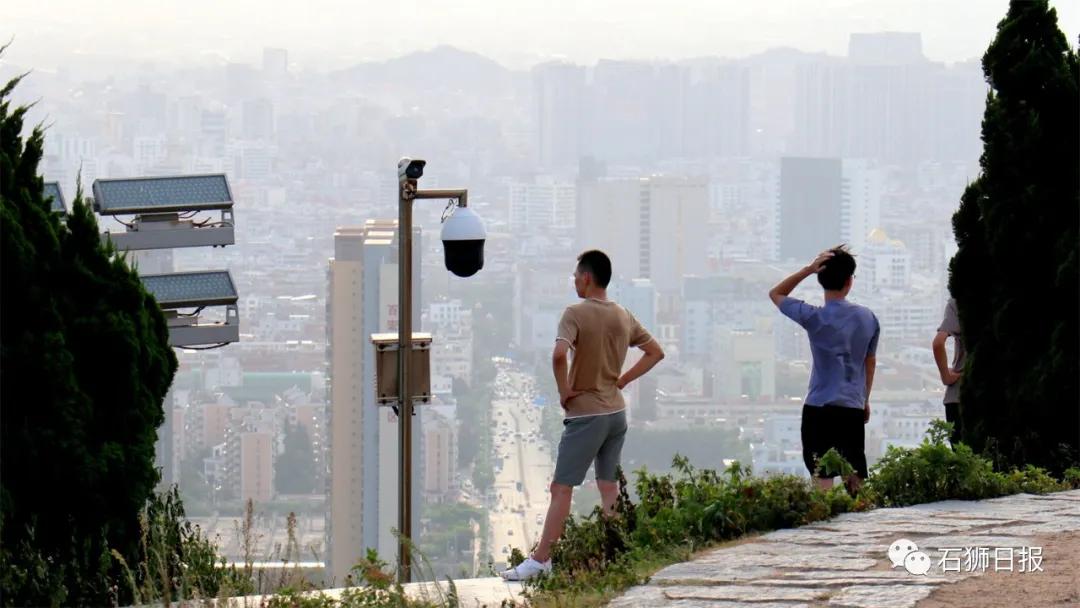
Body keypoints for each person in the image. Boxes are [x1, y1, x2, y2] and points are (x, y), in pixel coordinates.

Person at [501, 249, 664, 581]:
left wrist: (563, 390)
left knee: (561, 488)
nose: (574, 281)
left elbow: (559, 354)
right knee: (608, 486)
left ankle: (541, 560)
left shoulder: (574, 313)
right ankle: (614, 552)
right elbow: (655, 352)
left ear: (586, 278)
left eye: (576, 276)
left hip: (586, 415)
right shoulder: (623, 314)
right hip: (616, 413)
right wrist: (623, 380)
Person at [768, 246, 879, 493]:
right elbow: (869, 362)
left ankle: (825, 525)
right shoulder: (868, 318)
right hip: (851, 406)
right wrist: (865, 399)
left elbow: (776, 294)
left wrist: (808, 269)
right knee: (855, 479)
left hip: (818, 409)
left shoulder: (813, 317)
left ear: (821, 280)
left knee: (822, 482)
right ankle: (860, 527)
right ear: (850, 281)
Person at [932, 298, 965, 447]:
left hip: (958, 395)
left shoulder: (958, 302)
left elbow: (938, 343)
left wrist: (946, 376)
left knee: (964, 464)